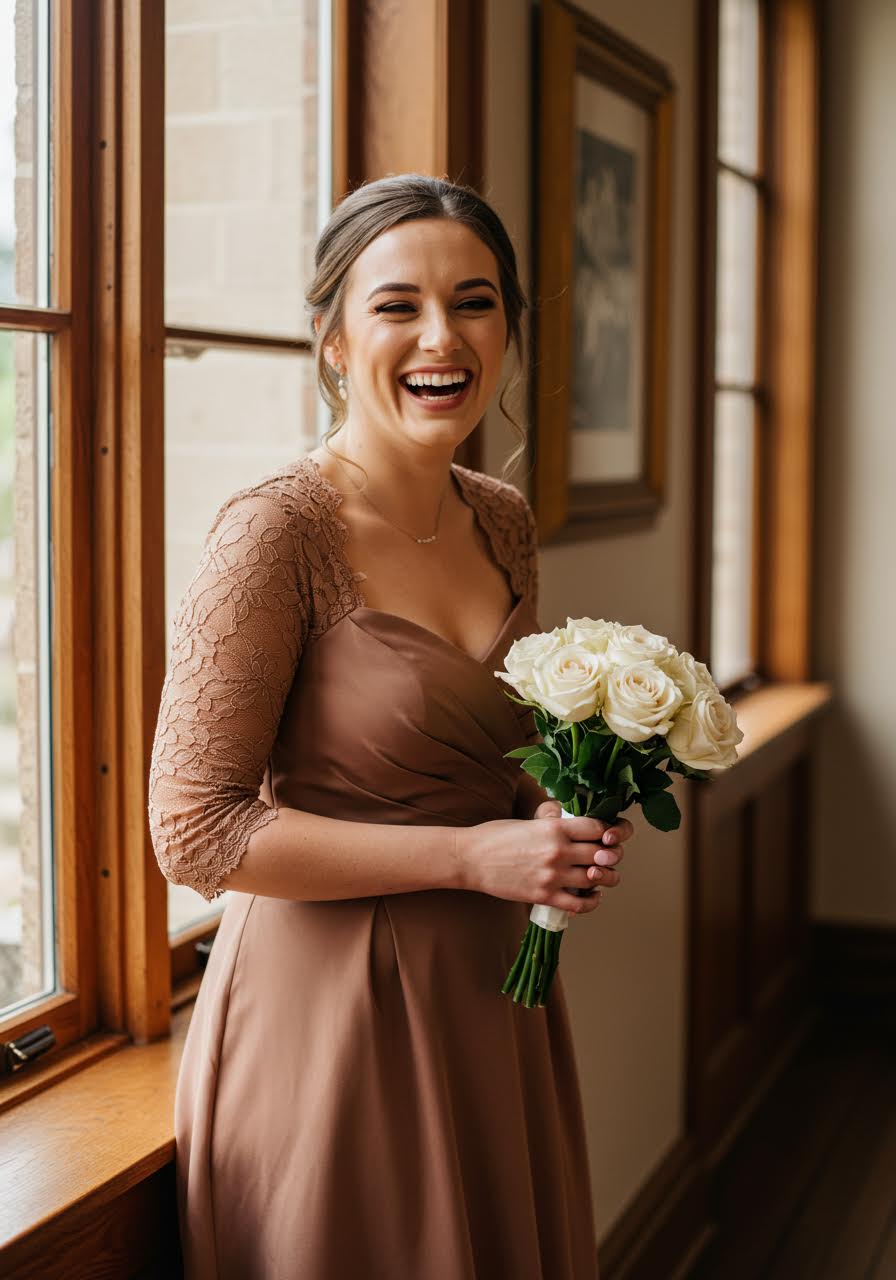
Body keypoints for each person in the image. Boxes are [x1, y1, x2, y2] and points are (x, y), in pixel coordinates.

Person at [148, 173, 634, 1280]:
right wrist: (472, 855)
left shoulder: (500, 518)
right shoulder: (272, 533)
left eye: (473, 301)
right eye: (395, 304)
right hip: (331, 1021)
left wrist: (561, 811)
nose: (440, 336)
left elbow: (509, 753)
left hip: (494, 1004)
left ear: (507, 326)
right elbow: (193, 831)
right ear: (329, 337)